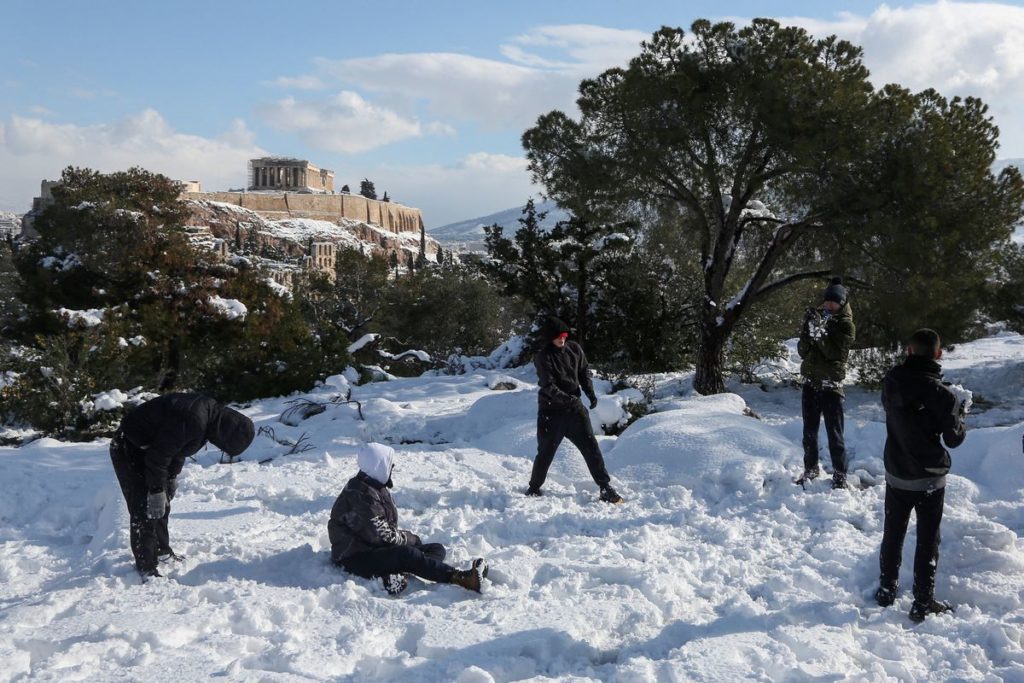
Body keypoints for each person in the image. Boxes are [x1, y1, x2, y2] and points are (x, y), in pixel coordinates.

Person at [110, 392, 255, 579]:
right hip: (129, 446)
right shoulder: (195, 419)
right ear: (224, 435)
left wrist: (170, 478)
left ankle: (161, 550)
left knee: (162, 503)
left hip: (150, 448)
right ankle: (146, 566)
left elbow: (177, 449)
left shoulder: (209, 416)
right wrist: (156, 490)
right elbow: (158, 456)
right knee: (145, 506)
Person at [875, 328, 967, 622]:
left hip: (896, 471)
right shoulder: (943, 396)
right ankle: (922, 602)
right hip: (929, 476)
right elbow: (954, 439)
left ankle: (886, 589)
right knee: (928, 539)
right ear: (938, 355)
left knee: (893, 531)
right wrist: (959, 410)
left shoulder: (891, 381)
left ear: (908, 350)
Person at [329, 442, 489, 595]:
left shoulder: (372, 488)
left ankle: (397, 575)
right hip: (354, 557)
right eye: (389, 465)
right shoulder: (360, 496)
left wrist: (411, 542)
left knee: (436, 549)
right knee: (407, 553)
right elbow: (382, 536)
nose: (392, 469)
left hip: (371, 549)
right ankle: (462, 578)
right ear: (378, 465)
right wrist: (410, 539)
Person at [526, 316, 623, 504]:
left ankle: (605, 487)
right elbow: (548, 386)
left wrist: (590, 393)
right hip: (551, 413)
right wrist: (567, 399)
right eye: (557, 337)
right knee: (545, 452)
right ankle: (534, 487)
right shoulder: (543, 357)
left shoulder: (574, 349)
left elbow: (583, 371)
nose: (562, 339)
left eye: (564, 335)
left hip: (575, 411)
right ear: (549, 338)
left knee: (591, 447)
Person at [796, 277, 856, 489]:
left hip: (831, 386)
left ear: (842, 303)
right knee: (809, 433)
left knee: (835, 434)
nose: (829, 305)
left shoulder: (846, 326)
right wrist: (807, 329)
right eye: (827, 301)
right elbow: (803, 351)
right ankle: (810, 469)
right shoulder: (817, 319)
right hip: (811, 383)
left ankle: (840, 474)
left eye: (834, 302)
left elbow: (833, 353)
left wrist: (819, 331)